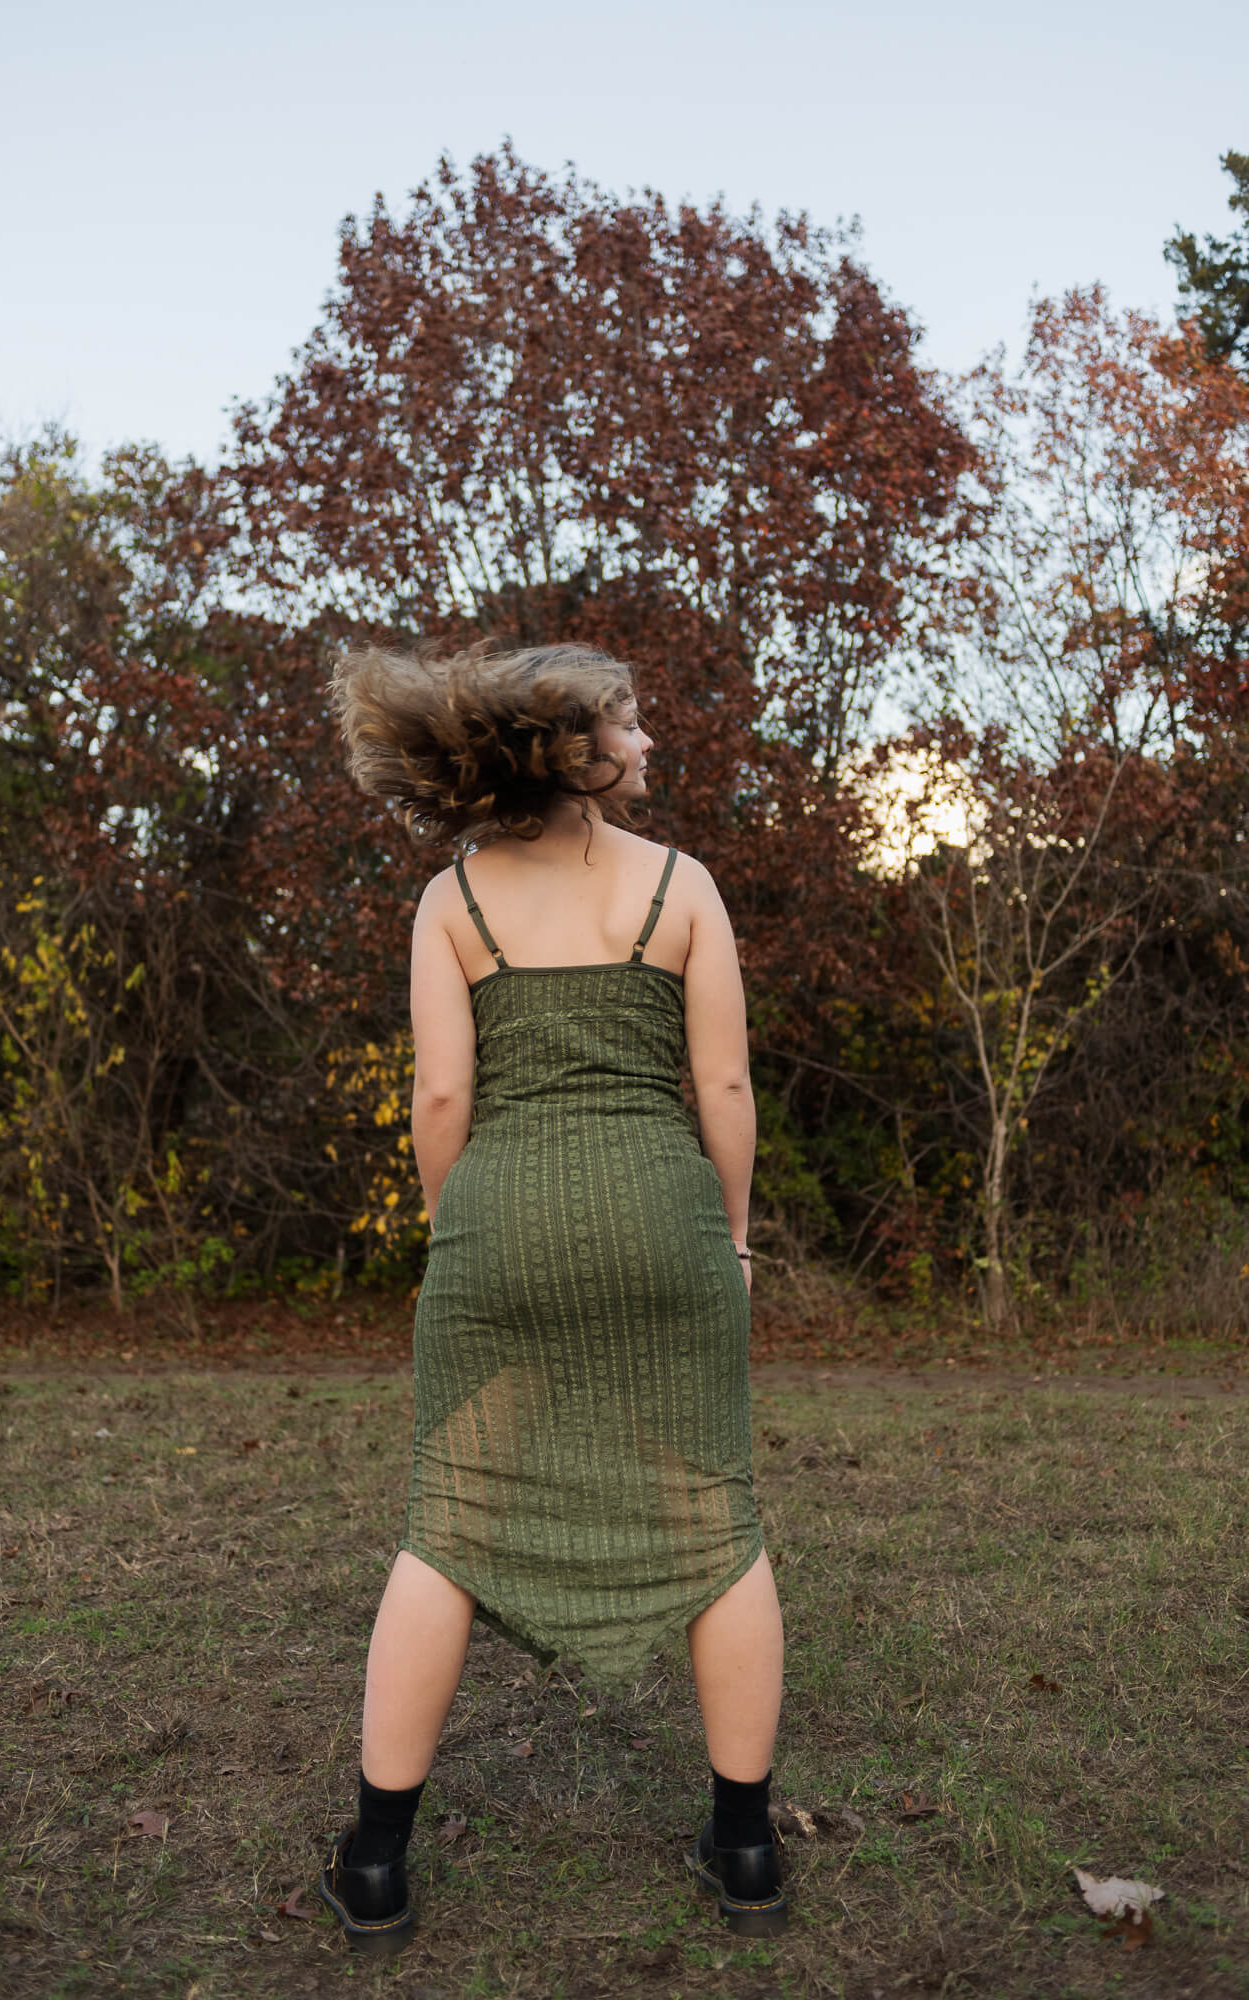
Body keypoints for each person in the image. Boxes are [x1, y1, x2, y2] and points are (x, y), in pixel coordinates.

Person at [319, 641, 786, 1955]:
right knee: (714, 1512)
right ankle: (745, 1846)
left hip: (501, 1217)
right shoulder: (681, 889)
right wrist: (732, 1237)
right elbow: (728, 1095)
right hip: (663, 1216)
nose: (651, 745)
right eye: (634, 725)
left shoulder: (450, 901)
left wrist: (456, 1225)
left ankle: (373, 1862)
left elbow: (443, 1102)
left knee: (451, 1515)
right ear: (578, 750)